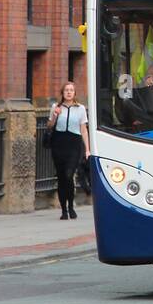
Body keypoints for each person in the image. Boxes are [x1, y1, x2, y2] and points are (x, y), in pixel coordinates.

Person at [47, 81, 90, 220]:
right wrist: (54, 115)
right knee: (61, 177)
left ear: (75, 93)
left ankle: (71, 206)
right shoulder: (56, 107)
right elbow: (49, 126)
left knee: (68, 175)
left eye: (71, 90)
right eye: (66, 90)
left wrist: (87, 149)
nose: (69, 92)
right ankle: (64, 210)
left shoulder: (80, 108)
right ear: (62, 93)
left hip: (74, 144)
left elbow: (83, 130)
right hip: (59, 143)